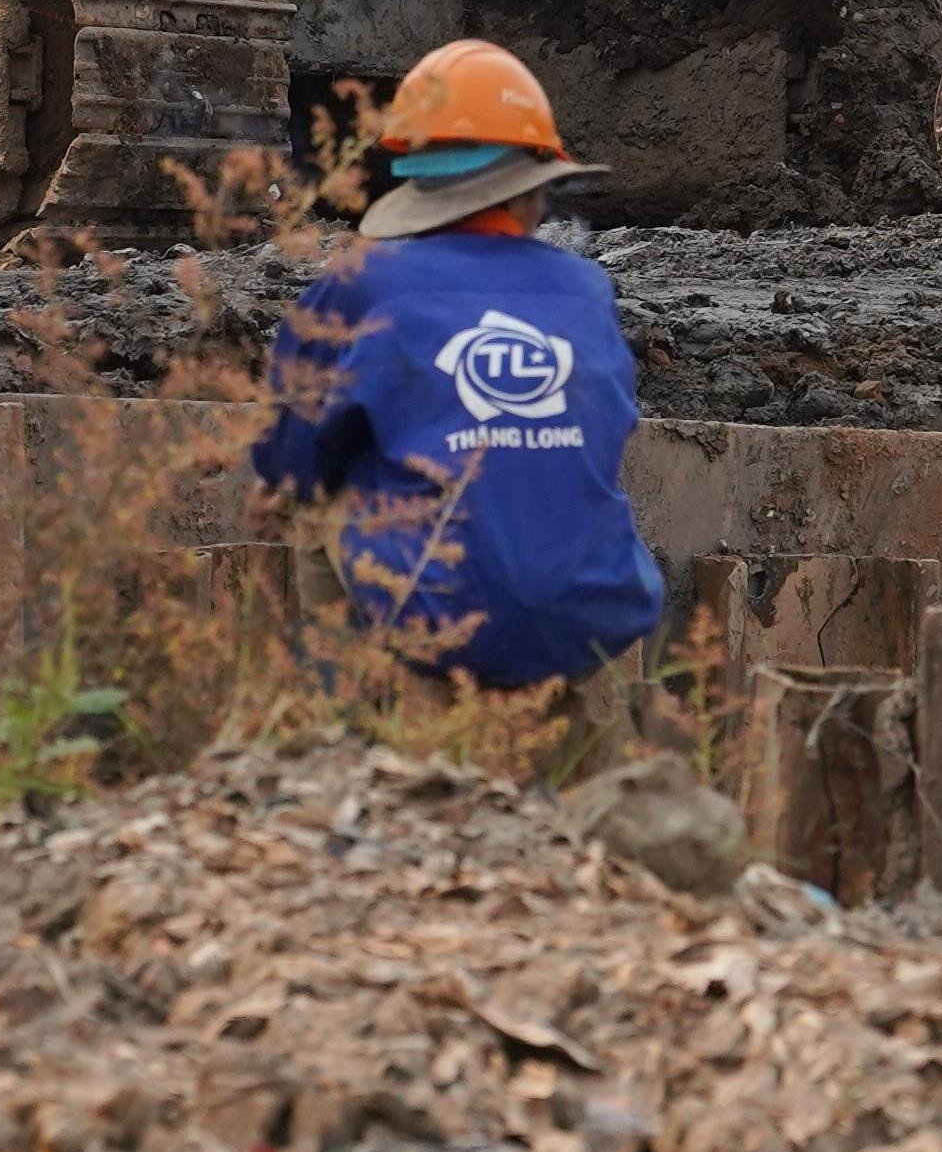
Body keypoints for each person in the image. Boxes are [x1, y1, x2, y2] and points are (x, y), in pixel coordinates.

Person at [247, 40, 667, 689]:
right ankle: (583, 747)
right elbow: (610, 428)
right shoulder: (587, 290)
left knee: (309, 499)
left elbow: (288, 450)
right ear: (530, 190)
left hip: (437, 616)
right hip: (593, 617)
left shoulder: (365, 282)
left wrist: (292, 480)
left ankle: (345, 727)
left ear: (417, 182)